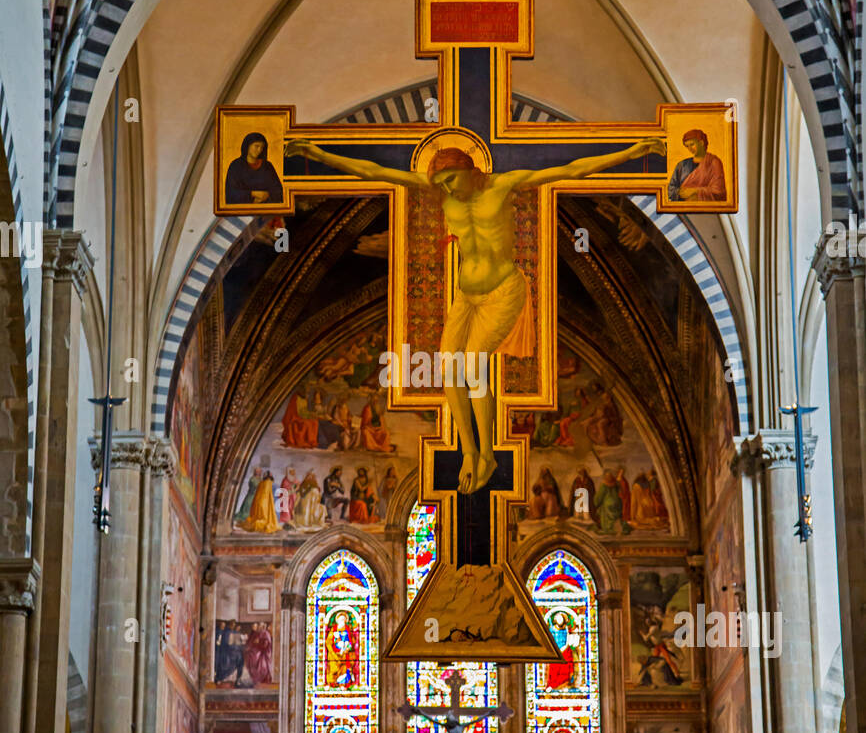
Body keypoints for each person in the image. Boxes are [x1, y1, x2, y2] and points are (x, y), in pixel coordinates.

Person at [286, 133, 665, 493]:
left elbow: (571, 169)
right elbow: (375, 171)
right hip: (466, 295)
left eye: (451, 179)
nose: (447, 188)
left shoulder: (503, 186)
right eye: (442, 182)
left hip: (503, 292)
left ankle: (488, 456)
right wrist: (318, 156)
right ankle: (471, 453)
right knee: (447, 369)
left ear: (470, 169)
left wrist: (631, 153)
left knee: (472, 364)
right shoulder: (445, 195)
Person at [224, 131, 283, 205]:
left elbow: (278, 191)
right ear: (248, 145)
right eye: (256, 146)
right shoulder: (236, 166)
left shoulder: (267, 166)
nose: (259, 150)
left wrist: (267, 195)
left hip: (266, 210)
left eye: (262, 147)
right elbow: (231, 194)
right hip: (242, 212)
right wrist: (253, 194)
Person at [667, 129, 726, 202]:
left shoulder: (714, 162)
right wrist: (680, 193)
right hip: (683, 207)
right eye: (687, 146)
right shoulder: (682, 165)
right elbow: (671, 189)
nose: (690, 148)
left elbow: (718, 191)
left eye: (692, 144)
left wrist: (695, 191)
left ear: (701, 142)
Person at [325, 610, 358, 686]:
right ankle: (332, 683)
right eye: (340, 620)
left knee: (344, 668)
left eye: (344, 620)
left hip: (345, 653)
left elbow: (352, 641)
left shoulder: (348, 630)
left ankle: (343, 684)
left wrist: (347, 647)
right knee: (333, 668)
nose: (342, 621)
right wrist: (333, 651)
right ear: (337, 621)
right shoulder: (333, 630)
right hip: (334, 654)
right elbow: (328, 642)